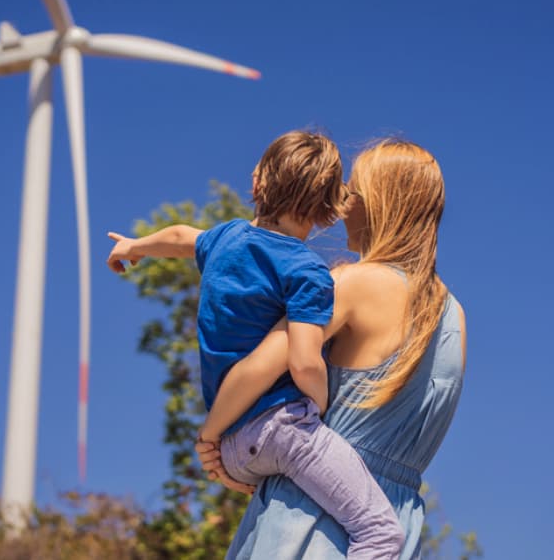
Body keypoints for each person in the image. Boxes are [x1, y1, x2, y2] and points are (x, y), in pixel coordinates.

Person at [106, 130, 405, 558]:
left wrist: (136, 246)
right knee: (380, 532)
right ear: (328, 210)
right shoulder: (307, 271)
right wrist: (318, 407)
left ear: (257, 184)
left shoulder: (224, 239)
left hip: (232, 445)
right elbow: (303, 362)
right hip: (282, 430)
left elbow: (179, 236)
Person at [195, 138, 466, 560]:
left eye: (349, 191)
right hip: (395, 525)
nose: (339, 207)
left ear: (378, 203)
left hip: (309, 518)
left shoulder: (352, 283)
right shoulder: (453, 315)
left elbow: (257, 369)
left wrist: (210, 441)